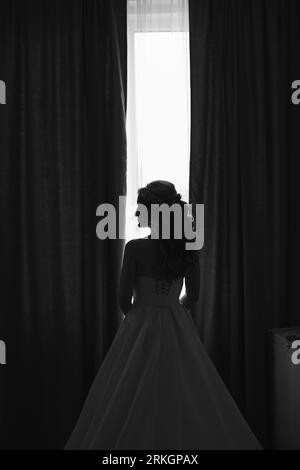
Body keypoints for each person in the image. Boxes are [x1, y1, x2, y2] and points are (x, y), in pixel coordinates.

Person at [65, 180, 262, 450]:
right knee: (188, 392)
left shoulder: (134, 248)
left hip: (139, 322)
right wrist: (171, 306)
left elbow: (123, 299)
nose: (137, 213)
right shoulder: (187, 248)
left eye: (141, 208)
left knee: (126, 393)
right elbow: (193, 297)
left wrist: (139, 317)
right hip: (176, 320)